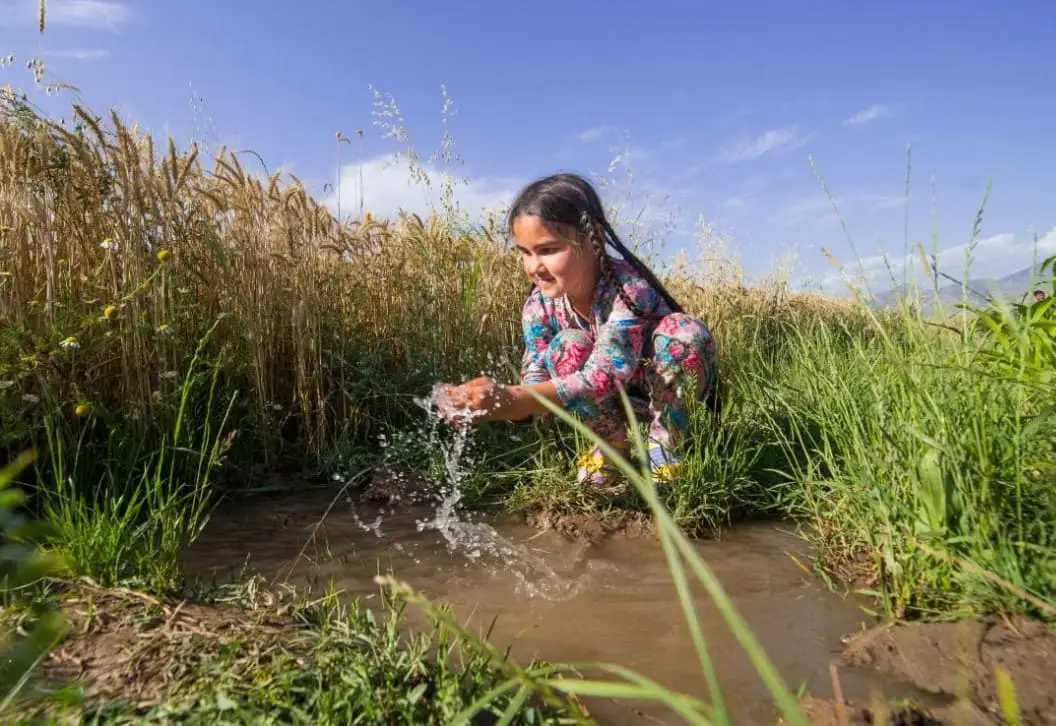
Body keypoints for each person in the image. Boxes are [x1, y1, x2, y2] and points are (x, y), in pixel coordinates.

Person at [435, 172, 720, 490]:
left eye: (547, 250)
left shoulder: (629, 288)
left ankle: (666, 446)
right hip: (606, 404)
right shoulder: (537, 307)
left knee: (685, 333)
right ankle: (611, 449)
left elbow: (604, 374)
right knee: (566, 344)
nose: (533, 266)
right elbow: (536, 380)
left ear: (591, 238)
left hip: (654, 388)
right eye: (524, 253)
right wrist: (491, 402)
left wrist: (511, 397)